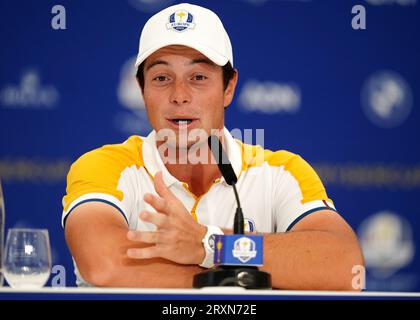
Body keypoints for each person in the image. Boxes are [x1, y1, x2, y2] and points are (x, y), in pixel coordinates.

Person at [62, 3, 364, 290]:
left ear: (228, 87)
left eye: (198, 77)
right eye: (162, 78)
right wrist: (239, 277)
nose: (179, 95)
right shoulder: (104, 166)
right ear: (142, 90)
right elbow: (103, 263)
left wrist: (209, 244)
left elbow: (346, 267)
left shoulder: (281, 172)